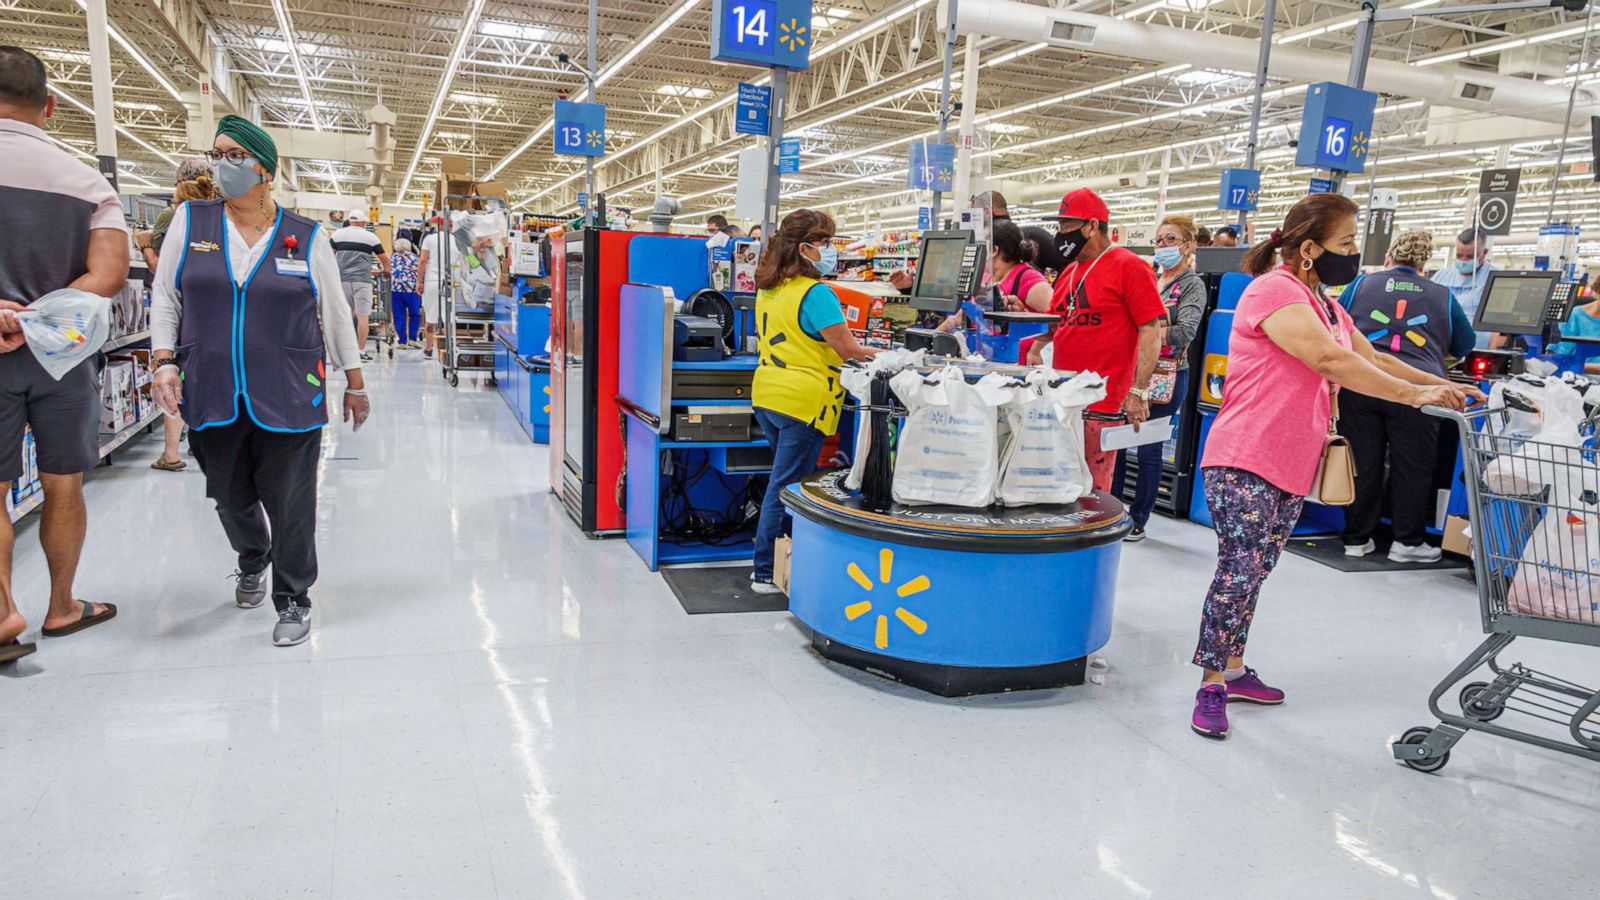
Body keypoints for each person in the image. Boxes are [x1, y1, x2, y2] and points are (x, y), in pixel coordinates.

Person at [1189, 194, 1481, 740]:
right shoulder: (1274, 291)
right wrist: (1413, 400)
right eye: (1346, 244)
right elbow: (1330, 361)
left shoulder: (1324, 303)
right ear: (1307, 248)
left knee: (1257, 571)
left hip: (1290, 462)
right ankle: (1210, 683)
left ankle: (1232, 667)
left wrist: (1436, 384)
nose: (1354, 255)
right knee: (1239, 571)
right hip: (1245, 456)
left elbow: (1370, 356)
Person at [149, 115, 369, 647]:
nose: (221, 165)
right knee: (228, 494)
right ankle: (252, 556)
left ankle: (293, 596)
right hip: (212, 385)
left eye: (233, 156)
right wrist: (163, 360)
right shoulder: (191, 222)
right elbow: (165, 295)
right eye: (216, 154)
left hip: (292, 389)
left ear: (263, 169)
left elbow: (336, 313)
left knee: (293, 502)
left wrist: (356, 383)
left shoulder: (307, 236)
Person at [0, 46, 130, 663]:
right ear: (49, 106)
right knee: (63, 484)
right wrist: (33, 320)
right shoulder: (85, 180)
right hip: (61, 357)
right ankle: (62, 606)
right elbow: (107, 275)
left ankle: (2, 612)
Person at [749, 209, 879, 594]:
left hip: (769, 395)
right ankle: (764, 572)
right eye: (824, 243)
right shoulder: (816, 293)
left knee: (782, 479)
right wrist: (899, 356)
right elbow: (848, 351)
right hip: (802, 401)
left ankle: (782, 560)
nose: (829, 250)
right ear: (805, 248)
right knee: (786, 486)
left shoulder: (770, 287)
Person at [1338, 230, 1479, 562]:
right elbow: (1465, 343)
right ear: (1424, 263)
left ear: (1390, 257)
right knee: (1412, 465)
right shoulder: (1442, 294)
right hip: (1418, 390)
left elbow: (1339, 325)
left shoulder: (1360, 284)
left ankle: (1356, 540)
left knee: (1362, 461)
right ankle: (1407, 543)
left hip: (1361, 382)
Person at [1026, 188, 1165, 492]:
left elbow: (1151, 330)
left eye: (1066, 226)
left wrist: (1138, 390)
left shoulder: (1130, 265)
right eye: (1058, 227)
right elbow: (1056, 321)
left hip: (1102, 401)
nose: (1059, 235)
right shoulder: (1069, 272)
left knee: (1092, 489)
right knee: (1060, 485)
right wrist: (1037, 347)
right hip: (1063, 398)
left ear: (1091, 226)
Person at [1120, 214, 1207, 541]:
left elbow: (1186, 331)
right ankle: (1115, 509)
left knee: (1148, 449)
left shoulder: (1192, 285)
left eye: (1170, 240)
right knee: (1118, 446)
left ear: (1188, 246)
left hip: (1166, 377)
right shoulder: (1150, 280)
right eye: (1159, 241)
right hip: (1133, 372)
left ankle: (1138, 518)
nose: (1162, 246)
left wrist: (1146, 334)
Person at [134, 157, 216, 471]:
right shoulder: (218, 214)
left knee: (175, 376)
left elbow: (160, 269)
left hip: (178, 309)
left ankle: (171, 453)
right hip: (206, 310)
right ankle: (200, 438)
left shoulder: (175, 214)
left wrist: (144, 246)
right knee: (201, 374)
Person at [331, 208, 390, 362]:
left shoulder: (337, 234)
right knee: (363, 316)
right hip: (362, 281)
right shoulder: (370, 237)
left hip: (341, 280)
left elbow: (328, 256)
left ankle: (343, 350)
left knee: (344, 315)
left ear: (350, 221)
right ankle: (360, 351)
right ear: (364, 223)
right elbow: (384, 259)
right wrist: (386, 272)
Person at [1432, 227, 1495, 346]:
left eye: (1470, 256)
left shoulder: (1495, 279)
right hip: (1443, 347)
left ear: (1484, 253)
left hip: (1479, 350)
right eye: (1459, 255)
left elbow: (1500, 325)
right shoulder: (1441, 277)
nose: (1463, 260)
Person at [991, 221, 1052, 313]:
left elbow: (1060, 319)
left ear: (994, 250)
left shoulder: (1029, 279)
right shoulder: (987, 276)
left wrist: (1023, 314)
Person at [390, 237, 422, 349]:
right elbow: (421, 271)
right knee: (415, 314)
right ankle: (413, 339)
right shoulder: (415, 258)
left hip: (396, 290)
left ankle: (402, 341)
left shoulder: (392, 258)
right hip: (412, 290)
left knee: (399, 316)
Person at [417, 225, 443, 357]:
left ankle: (428, 348)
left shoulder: (429, 239)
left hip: (432, 281)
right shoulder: (457, 240)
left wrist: (419, 281)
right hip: (452, 282)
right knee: (449, 318)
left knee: (431, 317)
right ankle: (447, 347)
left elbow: (422, 260)